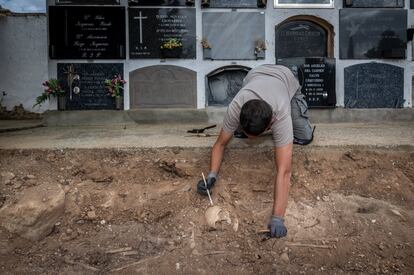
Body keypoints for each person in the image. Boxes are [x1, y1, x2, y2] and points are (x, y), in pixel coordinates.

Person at [197, 64, 314, 238]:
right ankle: (249, 130)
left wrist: (278, 218)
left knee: (304, 136)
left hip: (285, 77)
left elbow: (284, 171)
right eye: (247, 133)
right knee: (234, 134)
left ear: (270, 124)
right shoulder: (236, 107)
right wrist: (212, 174)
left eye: (257, 134)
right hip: (255, 74)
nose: (252, 139)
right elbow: (220, 144)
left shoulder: (280, 114)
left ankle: (294, 109)